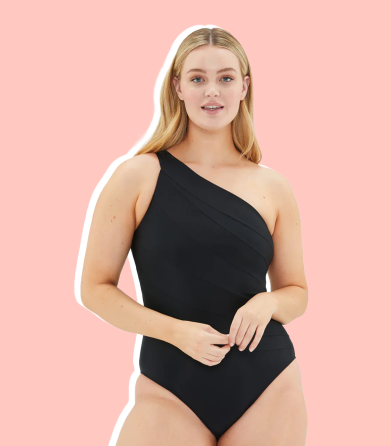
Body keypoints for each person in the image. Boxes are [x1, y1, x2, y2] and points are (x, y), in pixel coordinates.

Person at [78, 27, 308, 446]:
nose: (212, 92)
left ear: (244, 87)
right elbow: (94, 288)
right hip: (170, 383)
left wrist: (268, 302)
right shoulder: (138, 175)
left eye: (225, 78)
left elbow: (297, 293)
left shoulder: (273, 187)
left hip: (267, 382)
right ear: (178, 87)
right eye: (198, 78)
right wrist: (176, 332)